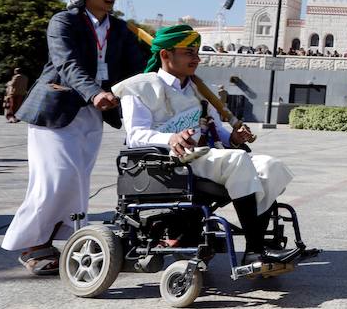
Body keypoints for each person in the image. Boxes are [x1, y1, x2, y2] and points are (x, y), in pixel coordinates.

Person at [2, 0, 147, 275]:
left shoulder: (120, 28)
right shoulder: (63, 21)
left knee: (79, 178)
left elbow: (137, 67)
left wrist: (163, 66)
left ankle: (69, 239)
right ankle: (32, 244)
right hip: (56, 109)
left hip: (94, 113)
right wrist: (94, 92)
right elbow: (66, 63)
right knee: (56, 175)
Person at [113, 24, 294, 269]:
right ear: (166, 55)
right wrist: (170, 138)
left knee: (271, 166)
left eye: (197, 52)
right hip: (169, 162)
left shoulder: (199, 90)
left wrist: (234, 139)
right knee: (237, 161)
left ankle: (259, 243)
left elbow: (217, 130)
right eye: (189, 52)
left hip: (207, 156)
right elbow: (135, 135)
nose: (196, 59)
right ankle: (254, 250)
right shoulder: (138, 87)